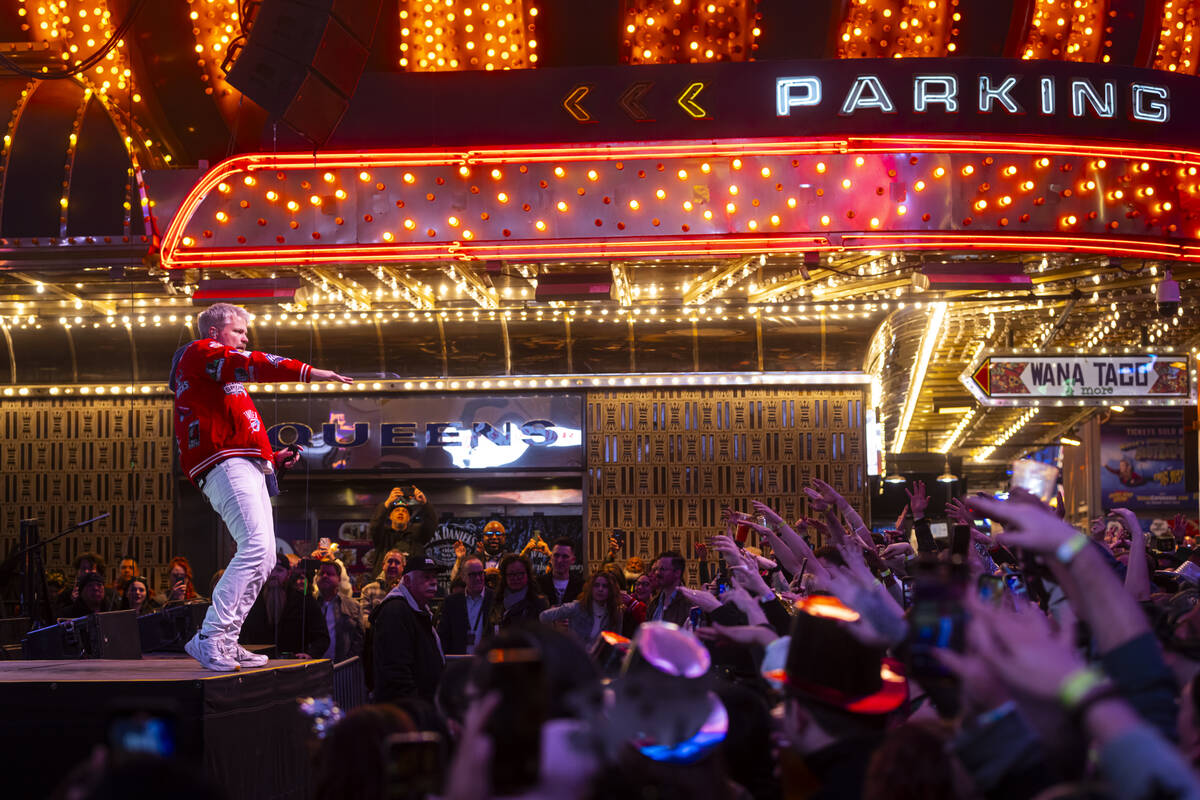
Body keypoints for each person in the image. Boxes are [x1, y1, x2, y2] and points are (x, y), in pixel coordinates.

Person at [170, 301, 351, 671]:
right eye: (238, 331)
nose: (245, 338)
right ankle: (211, 637)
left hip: (241, 460)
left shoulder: (219, 379)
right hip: (223, 460)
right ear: (214, 333)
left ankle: (225, 639)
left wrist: (272, 457)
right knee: (255, 547)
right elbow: (253, 362)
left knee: (266, 556)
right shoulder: (199, 352)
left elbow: (241, 422)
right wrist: (309, 372)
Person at [371, 555, 445, 704]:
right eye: (426, 577)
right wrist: (417, 711)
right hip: (404, 712)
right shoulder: (395, 612)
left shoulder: (416, 608)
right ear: (408, 581)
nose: (433, 581)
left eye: (434, 576)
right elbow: (396, 673)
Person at [239, 554, 329, 660]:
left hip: (293, 667)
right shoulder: (251, 602)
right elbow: (241, 634)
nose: (274, 575)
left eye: (279, 570)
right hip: (258, 665)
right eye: (270, 570)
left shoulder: (304, 601)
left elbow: (322, 637)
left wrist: (310, 654)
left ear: (288, 573)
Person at [539, 570, 623, 647]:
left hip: (601, 661)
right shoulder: (576, 607)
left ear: (611, 590)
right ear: (590, 588)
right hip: (578, 659)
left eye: (605, 586)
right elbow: (543, 616)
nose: (600, 589)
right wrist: (556, 631)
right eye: (596, 585)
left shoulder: (616, 612)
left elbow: (616, 642)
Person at [438, 555, 494, 655]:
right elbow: (444, 636)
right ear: (463, 577)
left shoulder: (495, 599)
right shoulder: (452, 602)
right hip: (459, 663)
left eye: (480, 573)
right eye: (472, 574)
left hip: (488, 663)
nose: (478, 578)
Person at [367, 485, 437, 562]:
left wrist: (425, 503)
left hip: (410, 574)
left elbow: (431, 523)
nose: (400, 513)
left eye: (404, 511)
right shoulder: (382, 536)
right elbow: (375, 525)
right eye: (397, 511)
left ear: (408, 518)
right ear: (390, 516)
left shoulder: (417, 536)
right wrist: (388, 502)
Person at [314, 561, 364, 662]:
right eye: (321, 573)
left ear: (339, 579)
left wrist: (348, 661)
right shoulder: (310, 604)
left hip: (343, 668)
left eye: (330, 574)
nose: (324, 576)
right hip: (313, 668)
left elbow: (359, 639)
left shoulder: (353, 606)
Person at [489, 553, 548, 631]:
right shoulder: (496, 601)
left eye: (520, 574)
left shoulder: (538, 603)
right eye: (511, 574)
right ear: (504, 577)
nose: (516, 578)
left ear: (528, 575)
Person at [359, 548, 404, 628]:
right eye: (390, 562)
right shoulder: (368, 590)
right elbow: (363, 619)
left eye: (397, 562)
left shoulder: (408, 590)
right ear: (383, 565)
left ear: (403, 567)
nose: (393, 565)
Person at [645, 551, 691, 626]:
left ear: (677, 573)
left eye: (662, 569)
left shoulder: (687, 604)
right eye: (657, 569)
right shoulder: (654, 603)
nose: (657, 573)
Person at [537, 537, 584, 607]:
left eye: (565, 556)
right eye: (556, 555)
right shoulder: (538, 584)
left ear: (573, 560)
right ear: (551, 557)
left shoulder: (581, 586)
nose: (559, 560)